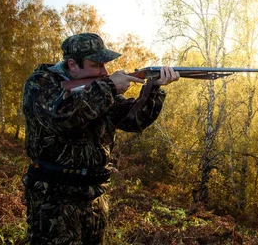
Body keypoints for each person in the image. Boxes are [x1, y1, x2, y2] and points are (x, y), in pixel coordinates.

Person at [21, 32, 179, 244]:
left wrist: (154, 88)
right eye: (97, 65)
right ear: (73, 64)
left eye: (105, 65)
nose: (105, 72)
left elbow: (133, 121)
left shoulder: (99, 88)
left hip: (94, 196)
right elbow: (63, 116)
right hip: (54, 198)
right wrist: (110, 86)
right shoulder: (41, 83)